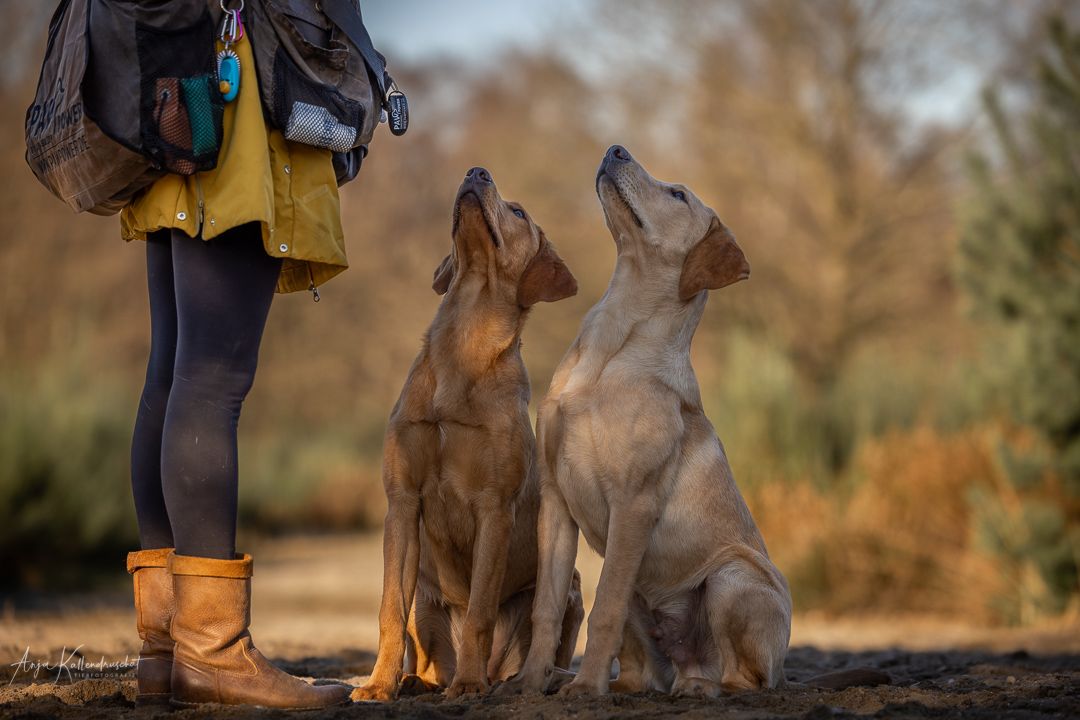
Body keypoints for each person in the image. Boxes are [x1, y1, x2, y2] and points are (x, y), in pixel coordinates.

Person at [118, 2, 360, 709]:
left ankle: (166, 649)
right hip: (234, 95)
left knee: (173, 370)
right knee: (212, 379)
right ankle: (211, 653)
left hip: (177, 96)